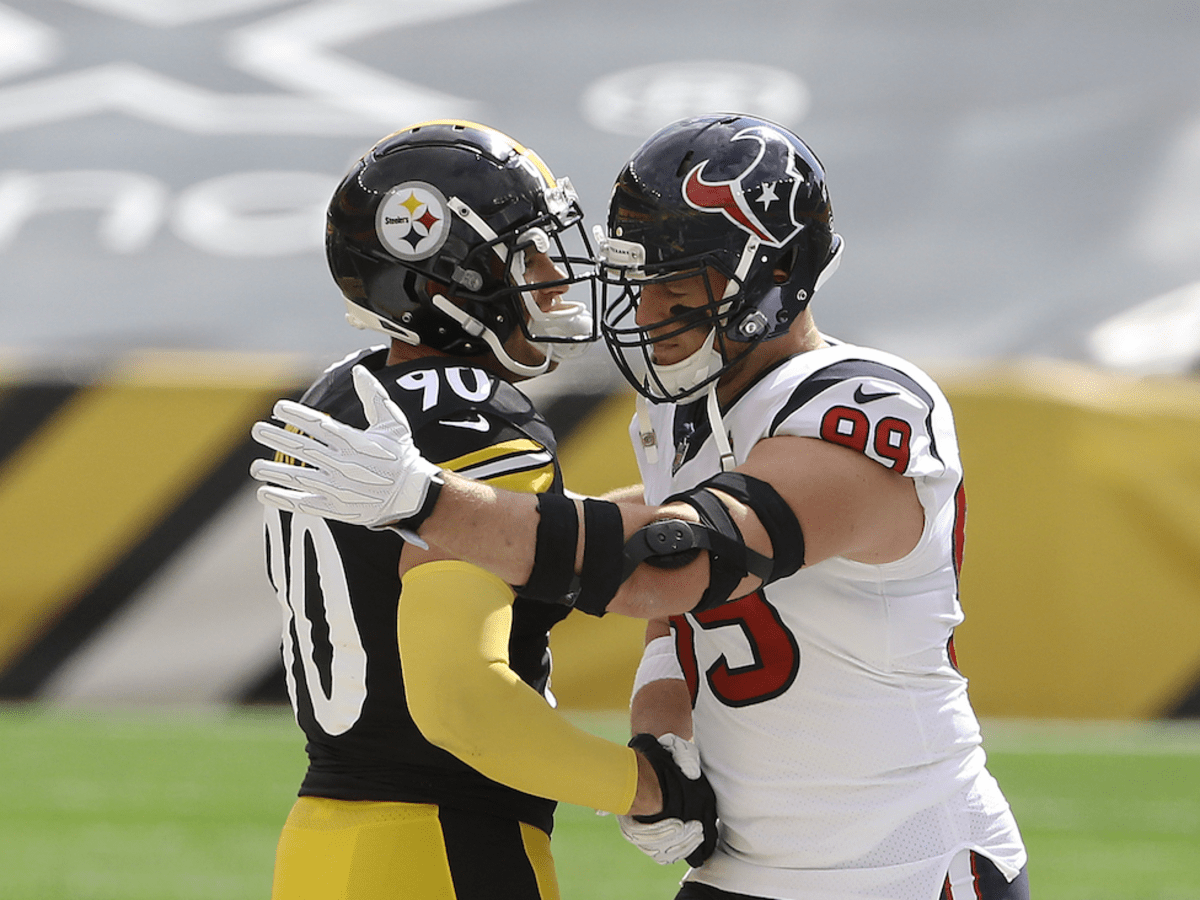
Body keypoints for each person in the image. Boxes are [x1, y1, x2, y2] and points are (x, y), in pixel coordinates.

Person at [251, 113, 1030, 900]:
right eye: (636, 277)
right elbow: (674, 625)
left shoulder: (867, 405)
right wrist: (660, 735)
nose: (647, 306)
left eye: (677, 280)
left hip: (901, 864)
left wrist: (428, 502)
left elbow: (679, 565)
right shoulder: (680, 410)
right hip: (738, 872)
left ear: (770, 273)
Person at [251, 119, 716, 900]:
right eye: (529, 254)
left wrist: (706, 507)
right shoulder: (467, 411)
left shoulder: (346, 390)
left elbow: (504, 542)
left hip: (328, 846)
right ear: (453, 278)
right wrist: (646, 786)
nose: (555, 279)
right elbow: (461, 700)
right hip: (441, 848)